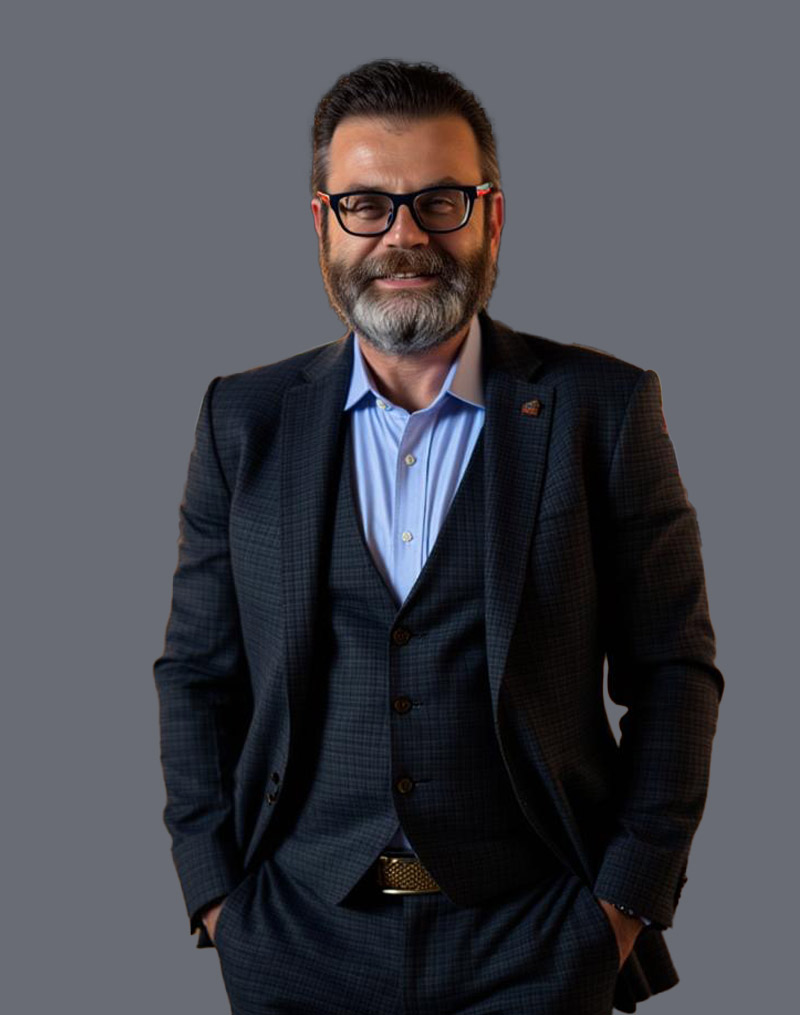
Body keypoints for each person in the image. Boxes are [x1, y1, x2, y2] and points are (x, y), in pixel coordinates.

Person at [153, 59, 723, 1015]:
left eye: (440, 201)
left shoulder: (604, 407)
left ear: (492, 217)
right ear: (323, 223)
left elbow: (675, 671)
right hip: (294, 934)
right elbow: (197, 675)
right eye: (366, 204)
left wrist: (624, 902)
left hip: (536, 939)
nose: (405, 235)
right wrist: (218, 896)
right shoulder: (241, 420)